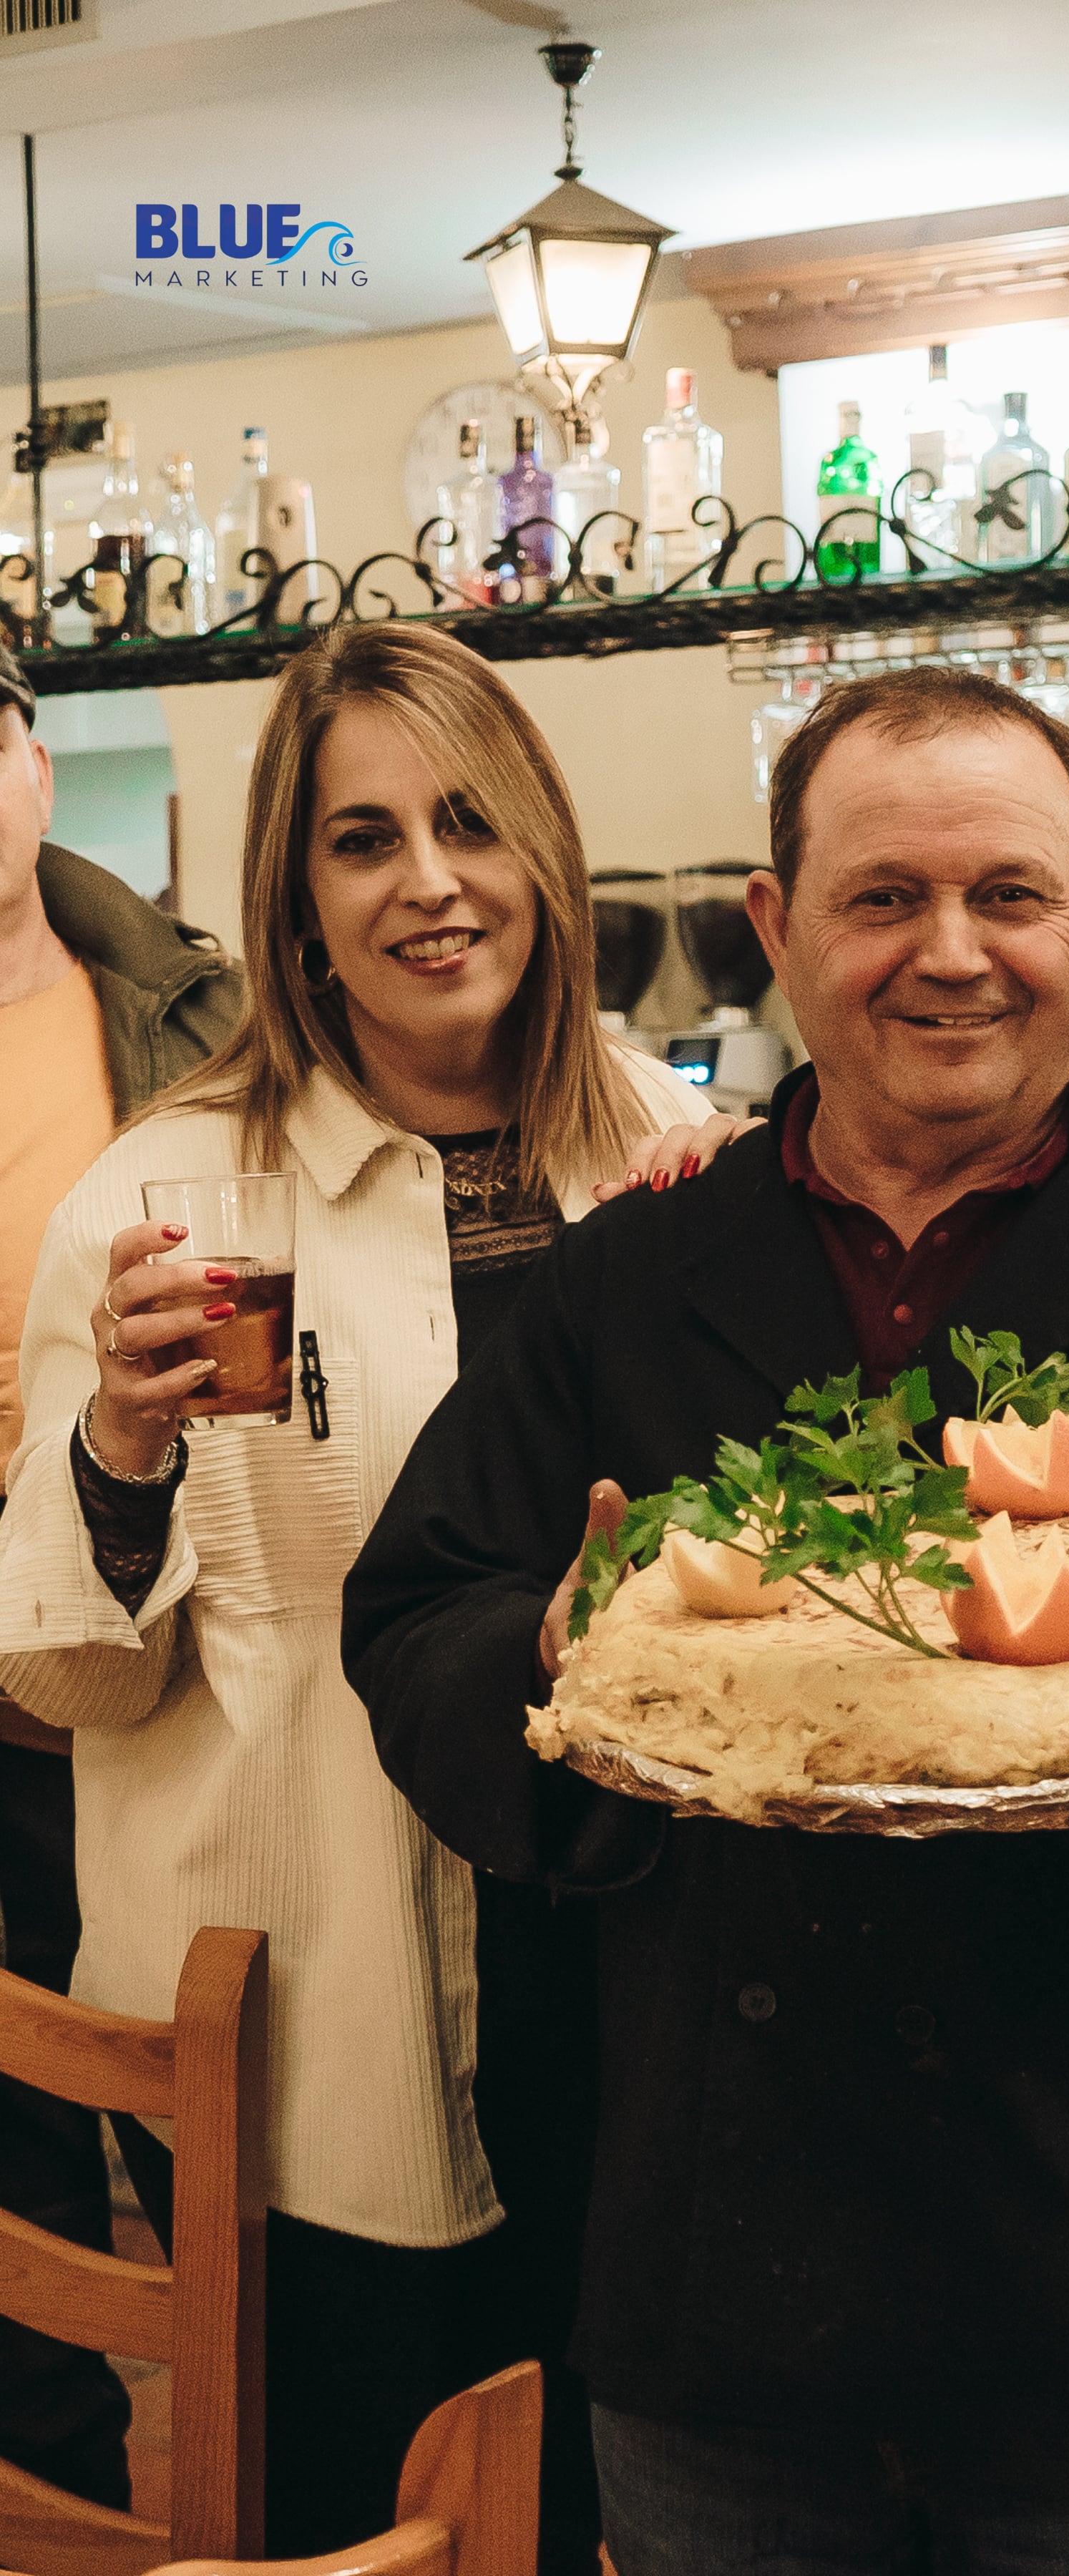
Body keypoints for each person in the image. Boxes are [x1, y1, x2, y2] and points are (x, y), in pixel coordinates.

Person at [343, 663, 1069, 2576]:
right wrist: (561, 1654)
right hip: (723, 2290)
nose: (949, 954)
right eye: (884, 898)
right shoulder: (624, 1279)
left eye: (1010, 896)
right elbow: (417, 1620)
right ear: (778, 930)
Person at [0, 622, 735, 2562]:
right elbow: (63, 1669)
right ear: (297, 901)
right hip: (304, 1980)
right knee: (349, 2496)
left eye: (472, 822)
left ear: (548, 859)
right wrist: (125, 1457)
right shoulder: (174, 1205)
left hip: (633, 1958)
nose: (430, 881)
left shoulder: (681, 1167)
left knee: (617, 2486)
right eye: (363, 838)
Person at [0, 636, 243, 2512]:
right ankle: (62, 2510)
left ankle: (257, 2494)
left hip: (156, 1663)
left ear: (31, 757)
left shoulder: (193, 1002)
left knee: (205, 2124)